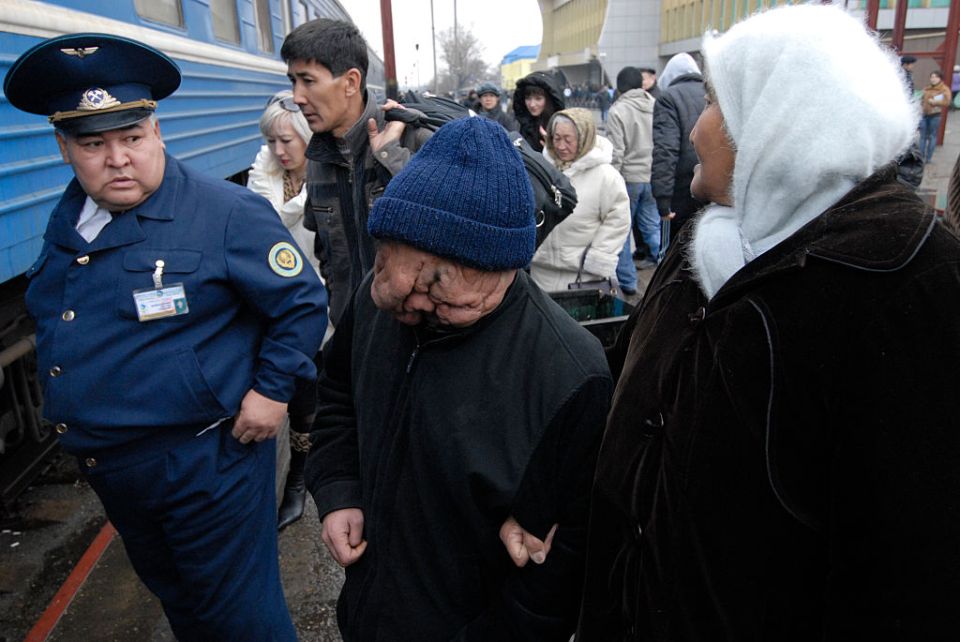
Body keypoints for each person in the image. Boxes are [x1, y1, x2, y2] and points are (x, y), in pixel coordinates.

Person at [577, 5, 960, 639]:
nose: (697, 129)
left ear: (780, 126)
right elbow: (626, 389)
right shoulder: (713, 237)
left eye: (713, 107)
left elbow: (911, 570)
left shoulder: (909, 280)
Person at [5, 34, 327, 640]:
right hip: (118, 470)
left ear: (158, 133)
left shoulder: (224, 212)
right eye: (93, 144)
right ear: (64, 149)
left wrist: (272, 390)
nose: (117, 158)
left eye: (131, 138)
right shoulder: (71, 220)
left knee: (242, 619)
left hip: (207, 463)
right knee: (184, 605)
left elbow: (303, 301)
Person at [308, 116, 613, 640]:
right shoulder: (379, 299)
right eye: (394, 275)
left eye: (438, 288)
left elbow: (559, 567)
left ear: (503, 267)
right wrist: (339, 490)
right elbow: (336, 396)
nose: (411, 306)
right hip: (371, 611)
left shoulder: (569, 374)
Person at [282, 18, 431, 326]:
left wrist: (391, 160)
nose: (297, 97)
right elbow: (328, 255)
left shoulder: (413, 140)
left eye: (307, 81)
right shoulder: (319, 160)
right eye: (293, 82)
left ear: (350, 82)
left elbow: (449, 231)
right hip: (353, 334)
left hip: (416, 337)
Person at [247, 90, 328, 529]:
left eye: (286, 142)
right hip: (278, 309)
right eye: (271, 142)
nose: (278, 151)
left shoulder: (330, 179)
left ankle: (312, 479)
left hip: (328, 304)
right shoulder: (261, 182)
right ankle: (294, 481)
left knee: (323, 399)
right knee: (294, 395)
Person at [530, 108, 631, 293]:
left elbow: (619, 219)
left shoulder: (606, 176)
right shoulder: (541, 169)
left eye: (568, 139)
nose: (561, 146)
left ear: (584, 138)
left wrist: (599, 257)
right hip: (541, 272)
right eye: (556, 138)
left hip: (584, 275)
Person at [606, 66, 658, 294]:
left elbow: (616, 152)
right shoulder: (655, 104)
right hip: (653, 176)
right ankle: (665, 270)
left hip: (629, 178)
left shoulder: (618, 111)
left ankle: (628, 282)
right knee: (651, 226)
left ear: (619, 88)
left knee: (622, 231)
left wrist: (610, 183)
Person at [651, 52, 705, 246]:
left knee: (672, 253)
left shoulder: (668, 98)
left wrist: (663, 199)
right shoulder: (711, 92)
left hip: (680, 192)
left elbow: (666, 150)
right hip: (710, 188)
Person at [513, 70, 565, 152]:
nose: (532, 104)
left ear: (549, 100)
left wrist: (554, 153)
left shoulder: (562, 126)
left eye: (538, 98)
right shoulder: (521, 124)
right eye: (528, 98)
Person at [919, 70, 952, 163]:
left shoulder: (944, 89)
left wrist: (935, 102)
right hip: (924, 115)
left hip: (935, 116)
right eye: (932, 77)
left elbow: (947, 102)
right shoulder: (927, 88)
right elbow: (922, 99)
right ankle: (921, 157)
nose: (933, 79)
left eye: (935, 77)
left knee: (932, 136)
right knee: (922, 136)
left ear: (940, 78)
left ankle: (928, 158)